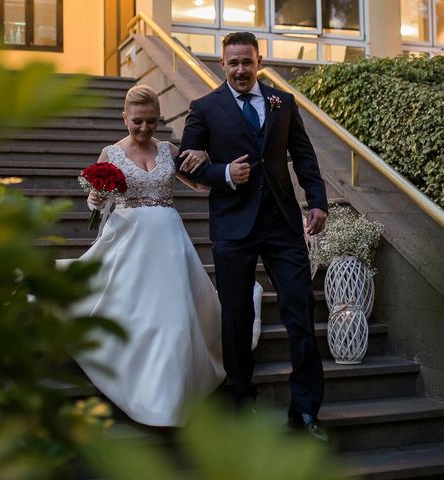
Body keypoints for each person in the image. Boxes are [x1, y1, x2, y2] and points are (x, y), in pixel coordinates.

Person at [56, 85, 262, 427]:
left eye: (152, 121)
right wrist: (96, 196)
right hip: (129, 241)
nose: (144, 128)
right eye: (137, 121)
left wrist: (219, 167)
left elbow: (199, 184)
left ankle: (173, 397)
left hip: (170, 243)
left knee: (176, 318)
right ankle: (145, 392)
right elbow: (96, 201)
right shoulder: (110, 153)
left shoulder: (168, 149)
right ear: (125, 118)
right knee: (138, 316)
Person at [176, 32, 329, 441]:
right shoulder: (204, 108)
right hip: (233, 227)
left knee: (300, 310)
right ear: (222, 65)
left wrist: (317, 201)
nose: (240, 70)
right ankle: (243, 401)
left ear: (258, 60)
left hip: (282, 223)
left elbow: (304, 155)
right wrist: (224, 173)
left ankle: (306, 412)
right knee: (237, 318)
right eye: (232, 63)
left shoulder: (284, 102)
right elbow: (184, 164)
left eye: (247, 61)